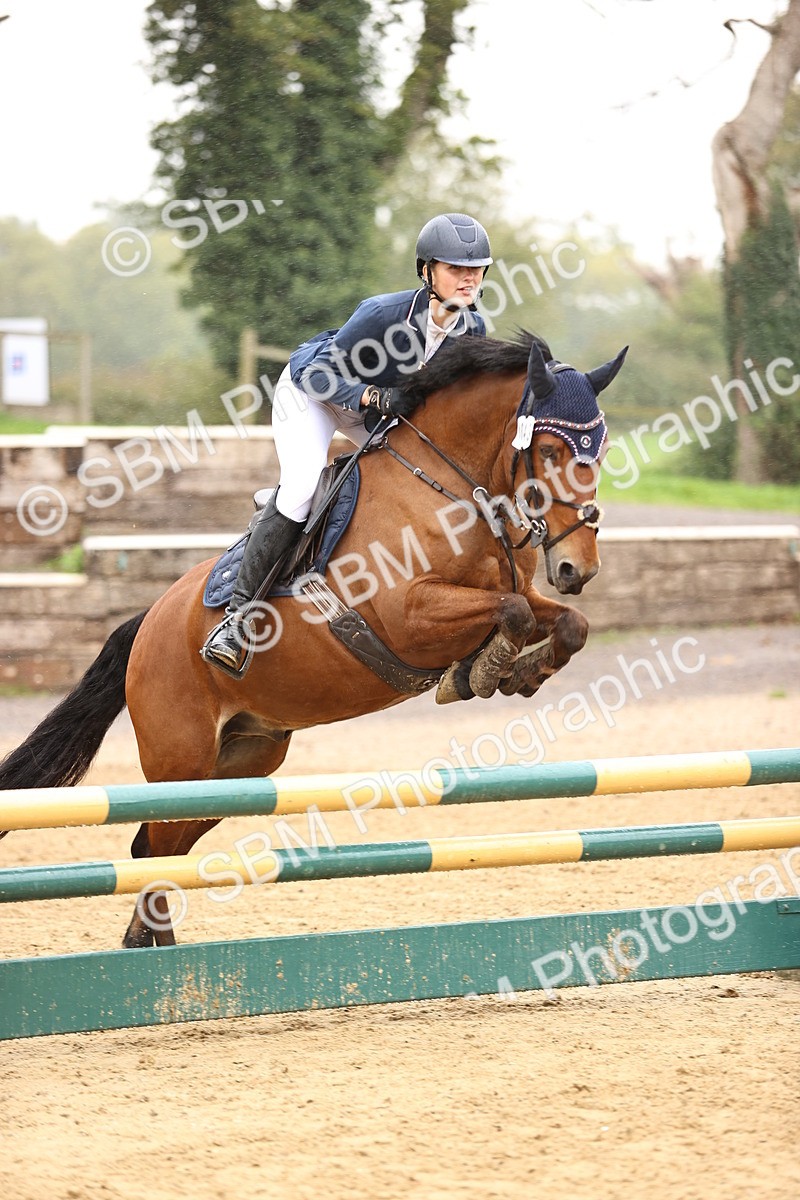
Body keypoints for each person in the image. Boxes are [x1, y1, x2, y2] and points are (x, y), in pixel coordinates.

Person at [203, 212, 492, 673]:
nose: (468, 278)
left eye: (475, 269)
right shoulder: (382, 314)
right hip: (309, 397)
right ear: (426, 272)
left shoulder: (471, 330)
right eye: (456, 268)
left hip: (372, 413)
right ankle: (237, 618)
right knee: (301, 488)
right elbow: (314, 373)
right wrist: (372, 394)